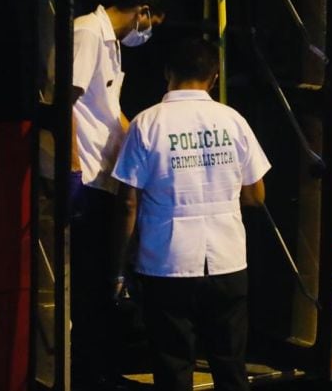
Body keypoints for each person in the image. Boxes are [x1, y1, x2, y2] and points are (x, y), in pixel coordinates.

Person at [110, 38, 270, 391]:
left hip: (166, 264)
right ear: (214, 78)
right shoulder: (233, 121)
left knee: (173, 367)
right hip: (228, 262)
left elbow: (128, 203)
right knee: (230, 366)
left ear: (167, 73)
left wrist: (122, 262)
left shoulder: (146, 123)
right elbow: (257, 194)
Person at [71, 0, 167, 389]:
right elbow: (63, 103)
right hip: (87, 180)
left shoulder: (109, 42)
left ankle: (101, 371)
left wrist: (146, 142)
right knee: (91, 286)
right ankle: (90, 375)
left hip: (102, 177)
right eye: (151, 23)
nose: (147, 32)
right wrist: (72, 170)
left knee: (100, 284)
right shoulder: (87, 34)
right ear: (142, 10)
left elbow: (108, 114)